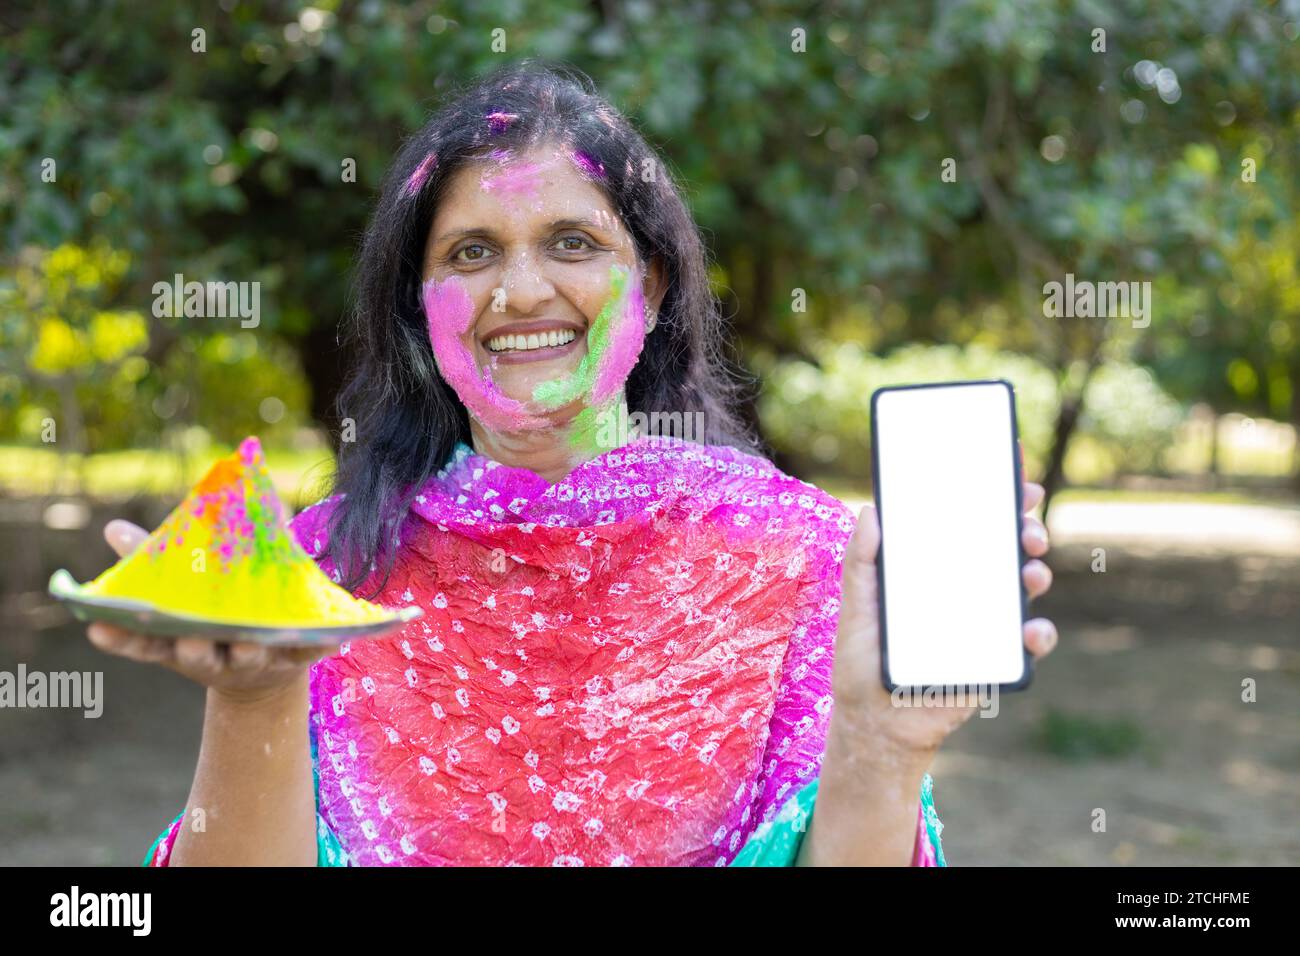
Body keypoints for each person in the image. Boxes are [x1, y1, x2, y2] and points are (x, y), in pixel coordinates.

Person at [89, 62, 1057, 867]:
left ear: (653, 280)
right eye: (471, 250)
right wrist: (252, 693)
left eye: (573, 242)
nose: (520, 289)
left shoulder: (805, 558)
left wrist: (883, 747)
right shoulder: (311, 575)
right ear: (419, 303)